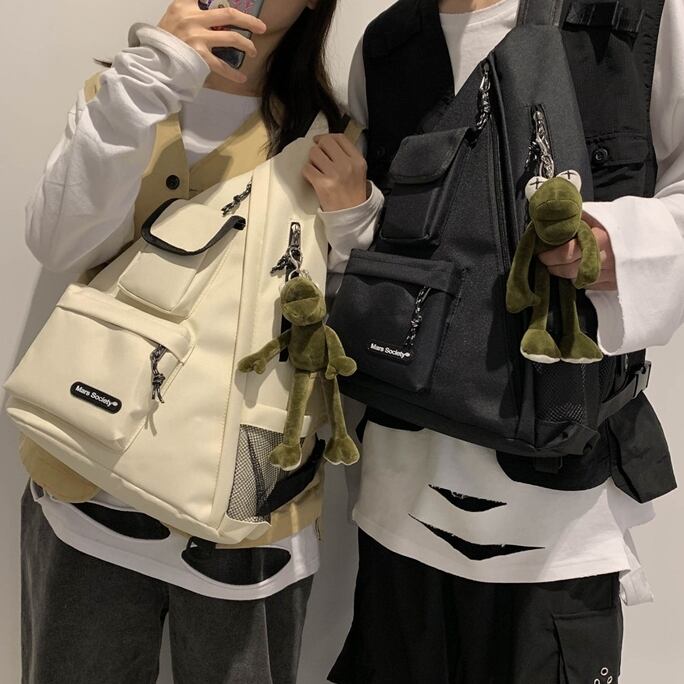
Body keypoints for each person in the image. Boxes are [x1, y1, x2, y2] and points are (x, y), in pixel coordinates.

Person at [20, 1, 379, 682]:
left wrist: (355, 222)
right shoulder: (127, 93)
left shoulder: (333, 139)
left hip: (247, 514)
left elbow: (346, 324)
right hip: (86, 486)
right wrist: (150, 77)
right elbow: (58, 243)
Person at [327, 0, 684, 682]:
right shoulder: (387, 42)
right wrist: (351, 217)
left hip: (558, 521)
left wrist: (623, 248)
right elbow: (381, 258)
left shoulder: (636, 17)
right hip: (400, 497)